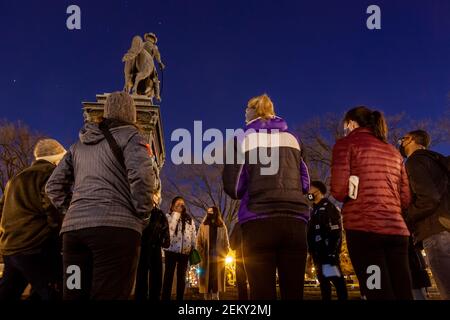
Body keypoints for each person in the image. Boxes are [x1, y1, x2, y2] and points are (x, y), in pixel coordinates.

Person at [46, 91, 160, 300]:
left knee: (74, 295)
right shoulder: (133, 137)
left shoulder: (77, 146)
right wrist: (143, 215)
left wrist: (74, 209)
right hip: (116, 233)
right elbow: (143, 179)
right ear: (131, 114)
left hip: (74, 236)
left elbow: (53, 186)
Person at [223, 94, 311, 300]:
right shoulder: (294, 138)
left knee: (261, 295)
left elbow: (233, 187)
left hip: (258, 220)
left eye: (246, 109)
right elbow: (306, 182)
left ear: (251, 112)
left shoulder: (241, 137)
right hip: (295, 221)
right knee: (294, 292)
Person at [331, 106, 413, 300]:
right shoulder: (394, 152)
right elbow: (406, 199)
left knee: (375, 291)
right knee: (403, 291)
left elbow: (339, 190)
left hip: (365, 231)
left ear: (351, 123)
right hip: (397, 231)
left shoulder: (345, 144)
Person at [0, 139, 66, 300]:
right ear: (57, 159)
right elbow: (52, 208)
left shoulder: (14, 179)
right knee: (56, 291)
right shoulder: (50, 174)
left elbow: (2, 209)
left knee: (7, 293)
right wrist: (61, 235)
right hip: (36, 247)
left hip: (10, 247)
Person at [398, 129, 450, 299]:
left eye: (402, 139)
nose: (400, 143)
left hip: (435, 229)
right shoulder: (438, 162)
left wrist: (407, 218)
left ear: (410, 139)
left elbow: (429, 198)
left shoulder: (414, 161)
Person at [307, 180, 348, 301]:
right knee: (324, 286)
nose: (308, 192)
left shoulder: (328, 207)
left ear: (318, 191)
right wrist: (312, 252)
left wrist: (332, 252)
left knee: (337, 283)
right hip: (317, 256)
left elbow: (336, 232)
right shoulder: (313, 211)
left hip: (327, 255)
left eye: (310, 189)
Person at [135, 190, 170, 301]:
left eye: (157, 196)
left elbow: (165, 229)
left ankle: (155, 297)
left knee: (156, 275)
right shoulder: (141, 211)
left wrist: (165, 240)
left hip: (156, 247)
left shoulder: (160, 214)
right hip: (143, 246)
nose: (155, 198)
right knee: (141, 275)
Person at [162, 196, 197, 301]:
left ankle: (180, 298)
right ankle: (165, 298)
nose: (180, 206)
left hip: (184, 252)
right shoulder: (168, 217)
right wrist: (176, 214)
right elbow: (170, 231)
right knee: (168, 276)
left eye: (182, 204)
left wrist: (192, 246)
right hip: (171, 251)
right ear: (172, 206)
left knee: (182, 278)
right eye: (177, 204)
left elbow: (193, 234)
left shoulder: (189, 219)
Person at [196, 207, 230, 300]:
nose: (210, 212)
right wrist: (201, 252)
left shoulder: (222, 226)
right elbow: (198, 242)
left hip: (218, 259)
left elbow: (226, 243)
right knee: (206, 282)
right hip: (205, 258)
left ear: (216, 212)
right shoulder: (203, 225)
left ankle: (216, 297)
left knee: (216, 282)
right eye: (208, 211)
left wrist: (224, 253)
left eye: (212, 211)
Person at [229, 222, 248, 300]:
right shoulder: (258, 222)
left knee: (241, 282)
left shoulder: (238, 225)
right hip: (256, 256)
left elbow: (232, 244)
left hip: (241, 257)